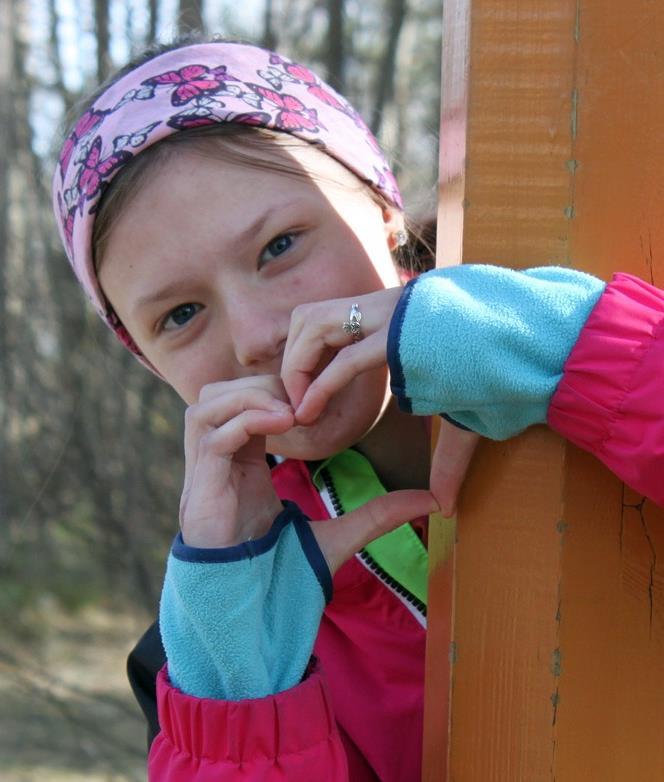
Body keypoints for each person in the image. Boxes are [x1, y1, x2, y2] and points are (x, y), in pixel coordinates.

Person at [52, 37, 664, 781]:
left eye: (279, 245)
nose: (256, 337)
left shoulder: (606, 300)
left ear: (383, 210)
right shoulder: (203, 644)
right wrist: (242, 692)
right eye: (180, 315)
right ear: (150, 362)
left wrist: (580, 353)